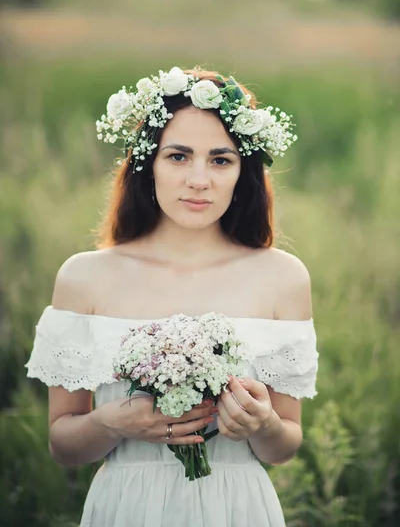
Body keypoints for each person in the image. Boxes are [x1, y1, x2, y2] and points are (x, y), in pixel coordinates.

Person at [25, 67, 318, 527]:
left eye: (220, 160)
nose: (199, 179)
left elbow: (284, 447)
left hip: (237, 507)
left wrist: (263, 426)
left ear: (244, 172)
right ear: (148, 163)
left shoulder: (282, 278)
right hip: (127, 506)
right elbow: (63, 446)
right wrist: (111, 423)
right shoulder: (85, 278)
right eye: (179, 156)